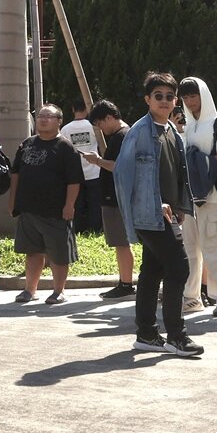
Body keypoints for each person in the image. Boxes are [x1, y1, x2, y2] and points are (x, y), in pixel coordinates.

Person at [114, 72, 202, 357]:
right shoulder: (139, 132)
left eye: (169, 96)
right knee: (179, 267)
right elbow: (123, 175)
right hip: (149, 215)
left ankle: (147, 333)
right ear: (148, 100)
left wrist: (179, 206)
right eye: (158, 96)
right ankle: (177, 336)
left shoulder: (171, 131)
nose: (164, 101)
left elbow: (176, 174)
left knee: (152, 271)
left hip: (167, 214)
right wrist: (152, 206)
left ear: (175, 100)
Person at [10, 104, 84, 305]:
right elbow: (15, 173)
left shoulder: (66, 147)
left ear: (59, 121)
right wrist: (13, 201)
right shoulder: (27, 143)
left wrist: (70, 205)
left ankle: (58, 291)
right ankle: (29, 290)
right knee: (32, 251)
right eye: (40, 116)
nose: (43, 120)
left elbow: (74, 180)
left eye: (49, 117)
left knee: (59, 254)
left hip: (56, 211)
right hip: (29, 208)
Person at [177, 77, 217, 317]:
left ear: (204, 94)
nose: (190, 102)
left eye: (194, 96)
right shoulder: (187, 126)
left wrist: (198, 162)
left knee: (214, 248)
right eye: (186, 97)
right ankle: (191, 297)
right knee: (190, 249)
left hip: (212, 196)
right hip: (189, 198)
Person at [86, 100, 136, 299]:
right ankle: (125, 282)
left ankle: (126, 283)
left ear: (109, 117)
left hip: (117, 197)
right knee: (120, 242)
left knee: (121, 242)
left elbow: (118, 166)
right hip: (115, 195)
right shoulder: (123, 134)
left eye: (100, 124)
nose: (100, 128)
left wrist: (96, 160)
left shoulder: (122, 136)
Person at [61, 100, 105, 233]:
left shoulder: (65, 129)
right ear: (87, 109)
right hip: (95, 171)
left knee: (77, 204)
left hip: (75, 174)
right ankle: (97, 230)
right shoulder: (94, 127)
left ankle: (77, 230)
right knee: (95, 204)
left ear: (73, 109)